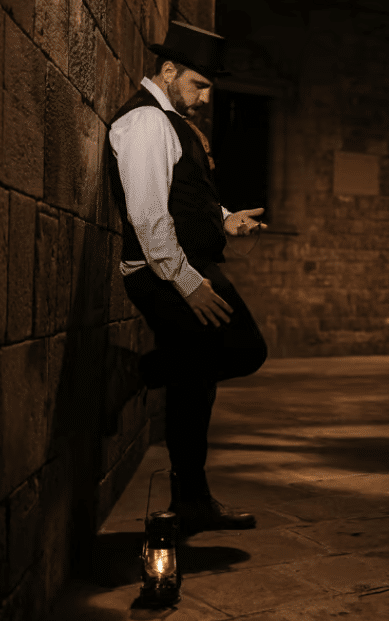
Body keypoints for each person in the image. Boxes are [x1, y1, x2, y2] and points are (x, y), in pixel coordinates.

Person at [105, 21, 268, 535]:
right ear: (169, 71)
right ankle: (141, 374)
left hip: (189, 268)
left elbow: (185, 195)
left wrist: (224, 220)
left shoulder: (171, 122)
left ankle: (192, 500)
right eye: (198, 85)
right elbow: (149, 216)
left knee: (196, 380)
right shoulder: (145, 123)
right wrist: (188, 283)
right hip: (165, 274)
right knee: (243, 350)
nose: (202, 98)